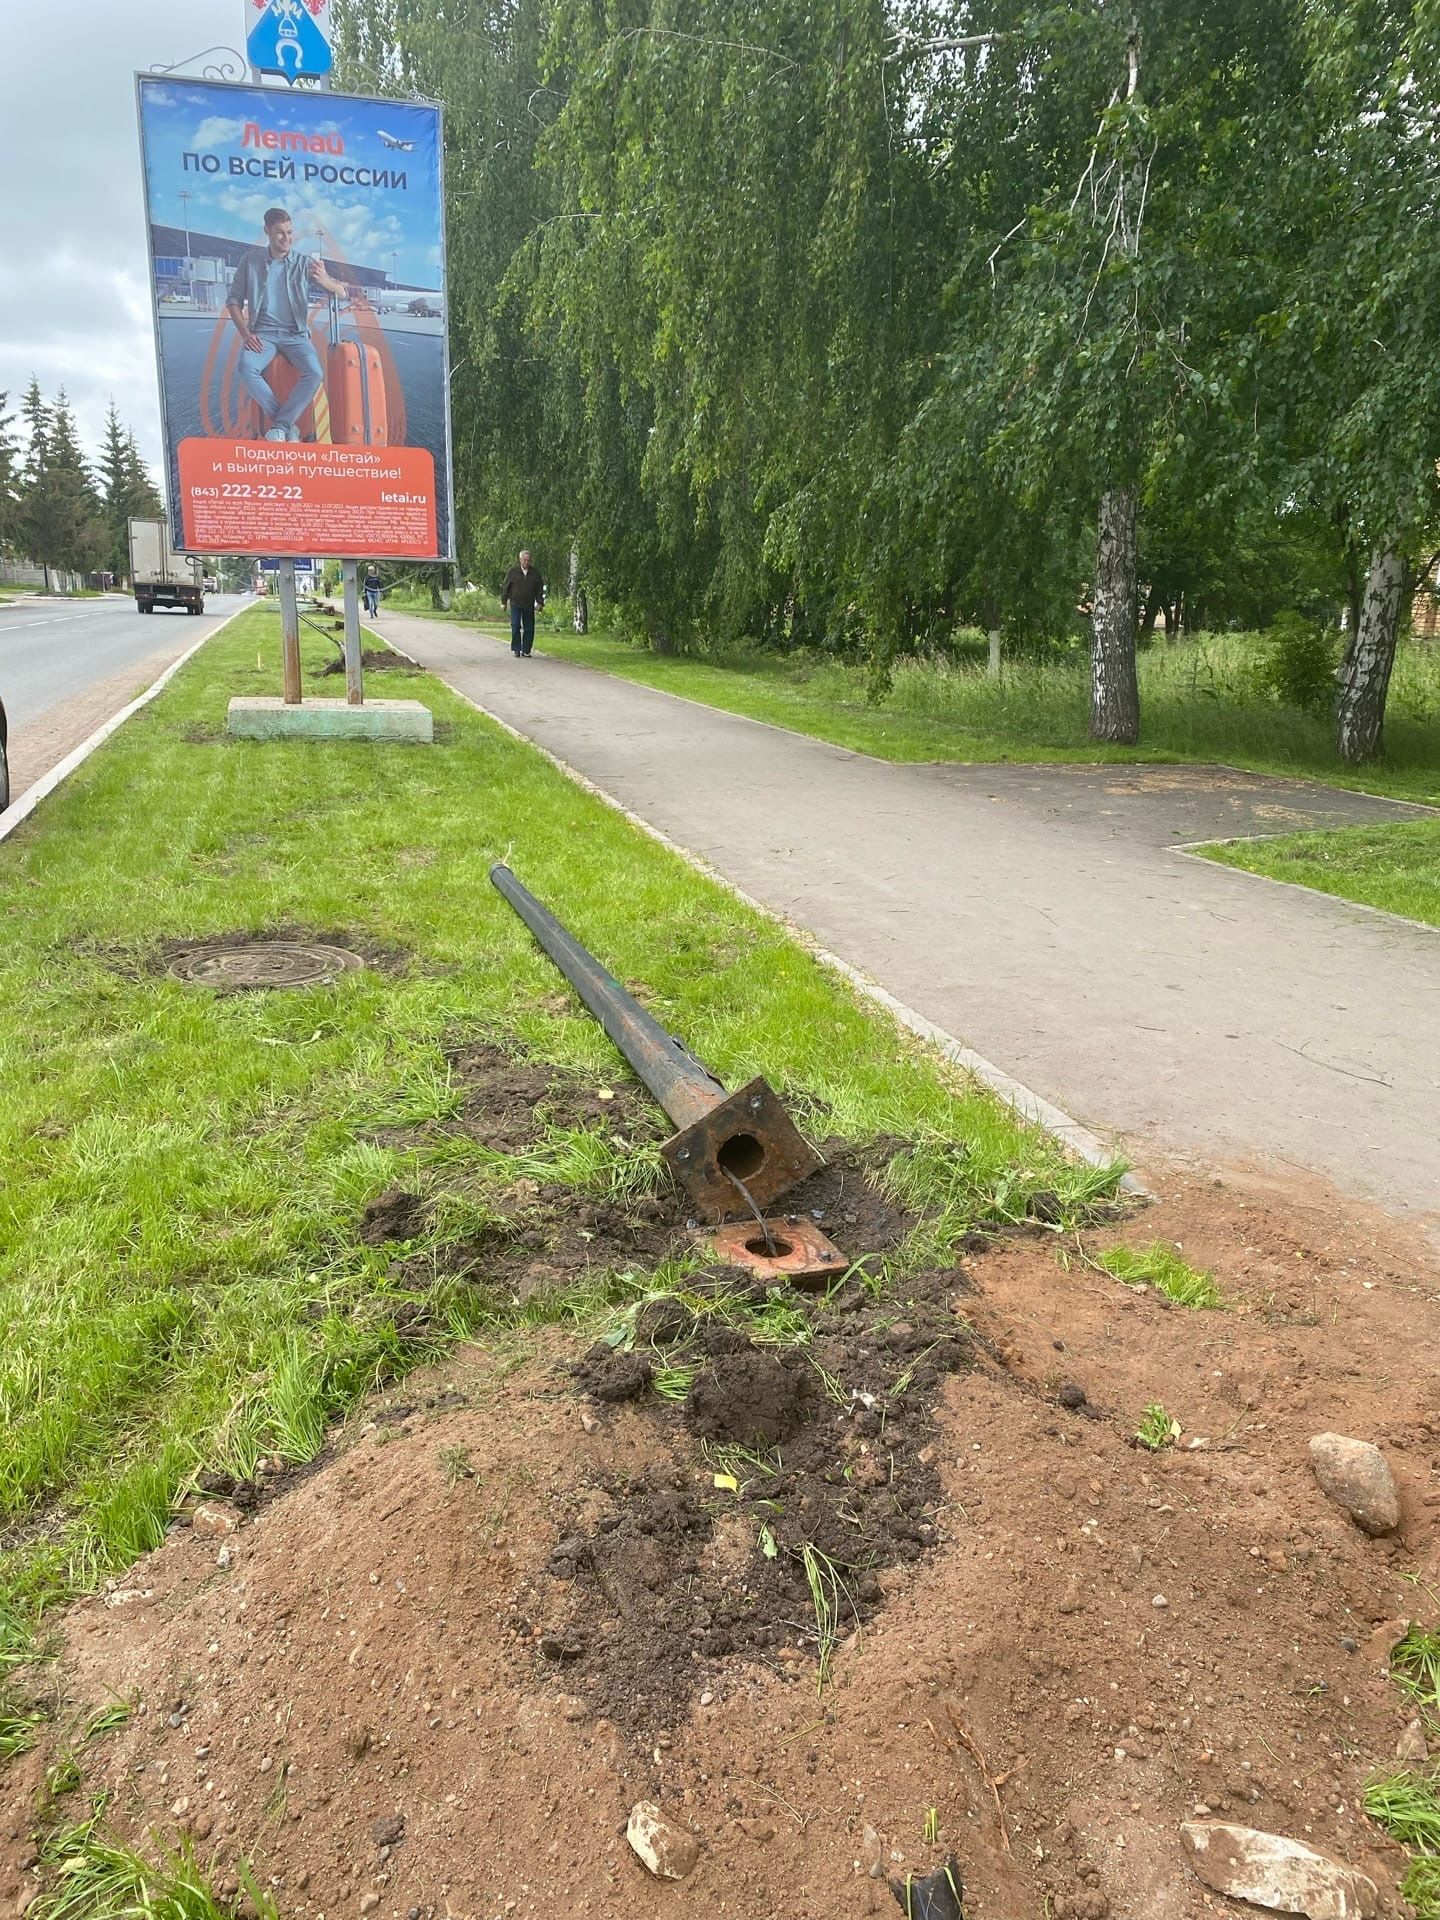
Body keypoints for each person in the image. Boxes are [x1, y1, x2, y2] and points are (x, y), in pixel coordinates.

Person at [226, 208, 348, 443]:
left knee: (314, 373)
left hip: (296, 335)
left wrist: (324, 281)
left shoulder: (304, 264)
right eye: (279, 233)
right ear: (267, 232)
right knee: (246, 367)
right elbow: (233, 301)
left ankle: (280, 426)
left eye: (289, 232)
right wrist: (245, 334)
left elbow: (342, 292)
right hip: (263, 334)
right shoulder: (250, 261)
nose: (286, 238)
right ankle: (285, 428)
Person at [501, 549, 544, 657]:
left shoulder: (535, 573)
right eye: (524, 560)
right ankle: (516, 648)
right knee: (515, 625)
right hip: (515, 603)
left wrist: (540, 602)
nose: (526, 563)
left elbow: (539, 589)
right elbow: (506, 587)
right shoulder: (512, 572)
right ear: (520, 560)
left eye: (528, 560)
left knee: (529, 627)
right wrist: (504, 602)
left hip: (529, 603)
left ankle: (526, 649)